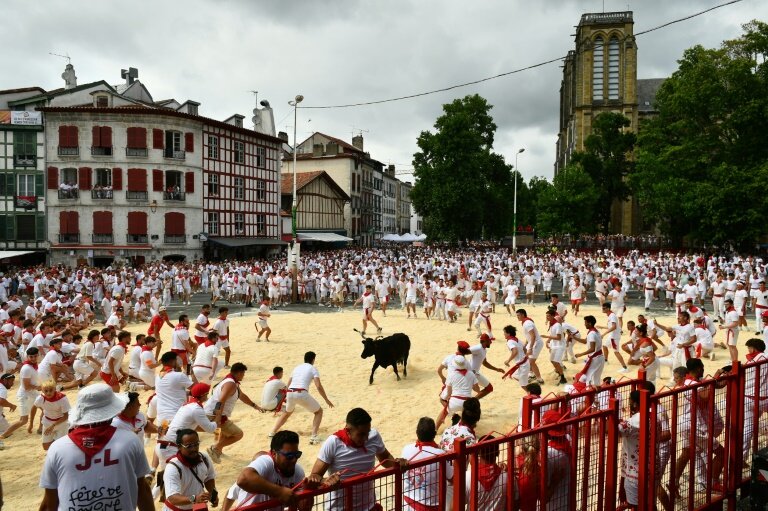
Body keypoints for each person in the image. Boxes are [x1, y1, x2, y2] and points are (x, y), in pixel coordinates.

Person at [39, 384, 153, 511]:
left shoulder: (57, 448)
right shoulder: (130, 441)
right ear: (112, 412)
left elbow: (50, 502)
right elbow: (142, 491)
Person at [307, 407, 408, 511]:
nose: (366, 438)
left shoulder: (374, 436)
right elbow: (315, 475)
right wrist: (326, 480)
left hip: (368, 507)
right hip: (340, 508)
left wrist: (398, 463)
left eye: (367, 432)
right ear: (348, 430)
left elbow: (385, 458)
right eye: (361, 434)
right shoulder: (333, 443)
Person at [223, 430, 311, 511]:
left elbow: (304, 508)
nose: (294, 459)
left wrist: (309, 490)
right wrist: (279, 492)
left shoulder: (298, 471)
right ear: (274, 453)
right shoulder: (266, 463)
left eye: (297, 454)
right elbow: (240, 483)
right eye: (289, 456)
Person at [269, 352, 334, 445]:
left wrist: (286, 397)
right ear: (313, 360)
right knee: (319, 411)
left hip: (290, 393)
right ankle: (314, 436)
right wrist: (326, 399)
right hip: (301, 393)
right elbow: (318, 386)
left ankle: (272, 432)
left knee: (287, 413)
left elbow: (288, 385)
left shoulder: (296, 368)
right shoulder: (313, 368)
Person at [204, 362, 263, 463]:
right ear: (239, 373)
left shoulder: (231, 381)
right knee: (238, 434)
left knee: (225, 433)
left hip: (215, 412)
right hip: (214, 414)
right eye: (243, 374)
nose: (244, 376)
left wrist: (255, 406)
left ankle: (218, 451)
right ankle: (215, 448)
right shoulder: (230, 384)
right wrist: (218, 418)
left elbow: (241, 395)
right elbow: (221, 401)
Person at [401, 417, 452, 511]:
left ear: (417, 433)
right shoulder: (440, 454)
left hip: (407, 504)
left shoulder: (406, 449)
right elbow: (452, 478)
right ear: (434, 434)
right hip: (430, 506)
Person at [163, 429, 218, 510]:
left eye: (196, 444)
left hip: (198, 506)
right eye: (189, 446)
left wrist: (213, 494)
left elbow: (209, 478)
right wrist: (194, 498)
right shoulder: (173, 467)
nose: (194, 449)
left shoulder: (204, 458)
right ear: (179, 447)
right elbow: (173, 498)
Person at [0, 347, 40, 440]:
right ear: (27, 357)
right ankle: (4, 435)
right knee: (23, 420)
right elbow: (26, 386)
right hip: (25, 396)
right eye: (31, 357)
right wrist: (39, 387)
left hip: (33, 393)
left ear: (37, 356)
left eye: (35, 356)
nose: (33, 358)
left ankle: (39, 428)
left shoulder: (34, 366)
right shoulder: (26, 368)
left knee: (45, 407)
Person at [465, 435, 507, 511]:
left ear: (479, 452)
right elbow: (515, 503)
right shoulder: (508, 477)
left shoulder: (467, 477)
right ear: (498, 452)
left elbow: (454, 507)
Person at [541, 409, 570, 511]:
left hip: (552, 507)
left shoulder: (548, 454)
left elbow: (544, 497)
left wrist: (554, 482)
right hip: (567, 503)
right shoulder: (569, 439)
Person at [618, 390, 641, 509]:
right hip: (652, 469)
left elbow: (610, 430)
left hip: (634, 473)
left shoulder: (632, 422)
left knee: (634, 506)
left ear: (635, 404)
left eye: (630, 401)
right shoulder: (655, 417)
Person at [34, 380, 71, 450]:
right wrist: (31, 423)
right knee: (45, 447)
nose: (48, 393)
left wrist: (53, 425)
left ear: (55, 389)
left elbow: (66, 416)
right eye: (46, 391)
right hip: (47, 422)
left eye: (51, 390)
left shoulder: (62, 398)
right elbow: (34, 407)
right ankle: (55, 440)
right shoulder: (41, 398)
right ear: (42, 390)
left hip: (62, 423)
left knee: (61, 447)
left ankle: (57, 441)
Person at [467, 334, 504, 398]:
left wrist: (496, 369)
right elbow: (464, 351)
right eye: (489, 341)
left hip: (475, 373)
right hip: (471, 373)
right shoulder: (478, 348)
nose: (491, 342)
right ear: (484, 341)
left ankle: (472, 403)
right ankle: (471, 404)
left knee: (489, 388)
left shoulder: (484, 349)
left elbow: (485, 363)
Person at [573, 315, 605, 386]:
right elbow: (585, 341)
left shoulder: (591, 334)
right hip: (600, 357)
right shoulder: (596, 331)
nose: (584, 324)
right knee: (595, 378)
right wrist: (574, 337)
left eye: (585, 322)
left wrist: (580, 354)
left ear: (589, 323)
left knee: (589, 378)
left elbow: (592, 349)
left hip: (595, 358)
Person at [598, 302, 629, 373]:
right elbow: (611, 326)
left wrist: (604, 334)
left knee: (616, 352)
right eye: (602, 308)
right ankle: (605, 360)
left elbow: (614, 327)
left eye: (604, 308)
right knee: (604, 346)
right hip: (612, 335)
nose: (602, 309)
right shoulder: (610, 315)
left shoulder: (612, 316)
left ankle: (625, 367)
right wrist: (601, 327)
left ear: (608, 308)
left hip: (614, 337)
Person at [516, 309, 545, 384]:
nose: (517, 317)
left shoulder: (527, 323)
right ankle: (532, 374)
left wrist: (530, 348)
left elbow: (533, 336)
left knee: (531, 362)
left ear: (523, 315)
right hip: (532, 342)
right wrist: (526, 344)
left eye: (518, 315)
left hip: (536, 343)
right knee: (528, 360)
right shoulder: (525, 322)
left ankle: (539, 379)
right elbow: (529, 335)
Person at [542, 309, 567, 385]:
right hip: (555, 345)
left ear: (553, 316)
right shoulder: (552, 324)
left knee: (556, 361)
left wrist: (546, 337)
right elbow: (553, 335)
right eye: (546, 316)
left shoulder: (557, 325)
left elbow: (559, 337)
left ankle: (563, 377)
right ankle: (560, 373)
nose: (547, 317)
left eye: (548, 316)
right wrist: (547, 341)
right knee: (552, 361)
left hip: (560, 345)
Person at [503, 324, 531, 389]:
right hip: (524, 362)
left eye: (504, 332)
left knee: (523, 385)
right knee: (513, 375)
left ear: (508, 334)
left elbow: (515, 351)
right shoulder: (517, 339)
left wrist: (508, 360)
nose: (503, 334)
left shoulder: (510, 341)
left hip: (522, 365)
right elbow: (524, 349)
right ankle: (526, 380)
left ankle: (531, 393)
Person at [719, 298, 740, 364]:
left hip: (733, 331)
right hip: (729, 330)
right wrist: (723, 321)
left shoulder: (733, 312)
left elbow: (735, 323)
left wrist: (724, 327)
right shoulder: (728, 312)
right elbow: (729, 322)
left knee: (733, 346)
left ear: (731, 304)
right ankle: (732, 360)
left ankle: (735, 361)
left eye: (727, 304)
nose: (726, 306)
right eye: (725, 304)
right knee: (730, 345)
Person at [0, 373, 16, 443]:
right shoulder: (2, 389)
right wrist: (11, 405)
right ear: (5, 380)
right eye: (11, 381)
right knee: (8, 432)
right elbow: (1, 401)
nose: (12, 383)